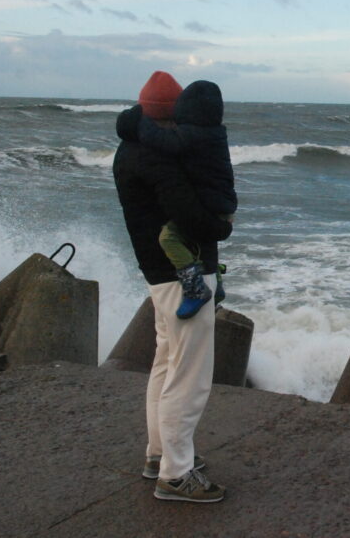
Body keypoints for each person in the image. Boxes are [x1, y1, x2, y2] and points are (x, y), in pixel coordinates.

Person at [113, 70, 233, 503]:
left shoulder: (128, 150)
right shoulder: (158, 157)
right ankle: (177, 474)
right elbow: (190, 215)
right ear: (171, 115)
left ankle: (159, 455)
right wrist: (221, 226)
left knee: (165, 364)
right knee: (190, 376)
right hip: (182, 275)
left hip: (155, 273)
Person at [136, 79, 236, 319]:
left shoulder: (193, 135)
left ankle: (194, 287)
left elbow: (165, 142)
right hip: (222, 205)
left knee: (169, 237)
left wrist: (142, 122)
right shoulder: (215, 133)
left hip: (211, 206)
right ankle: (217, 280)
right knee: (199, 242)